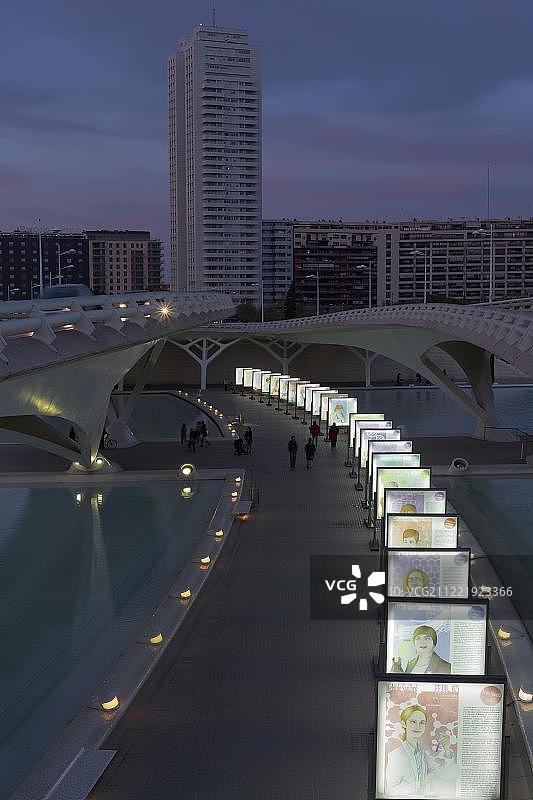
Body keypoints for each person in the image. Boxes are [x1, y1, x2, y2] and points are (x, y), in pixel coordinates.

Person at [385, 704, 454, 797]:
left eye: (422, 722)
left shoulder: (422, 754)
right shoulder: (396, 755)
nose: (418, 726)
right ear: (404, 723)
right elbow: (391, 791)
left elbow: (445, 773)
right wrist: (421, 783)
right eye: (413, 722)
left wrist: (446, 749)